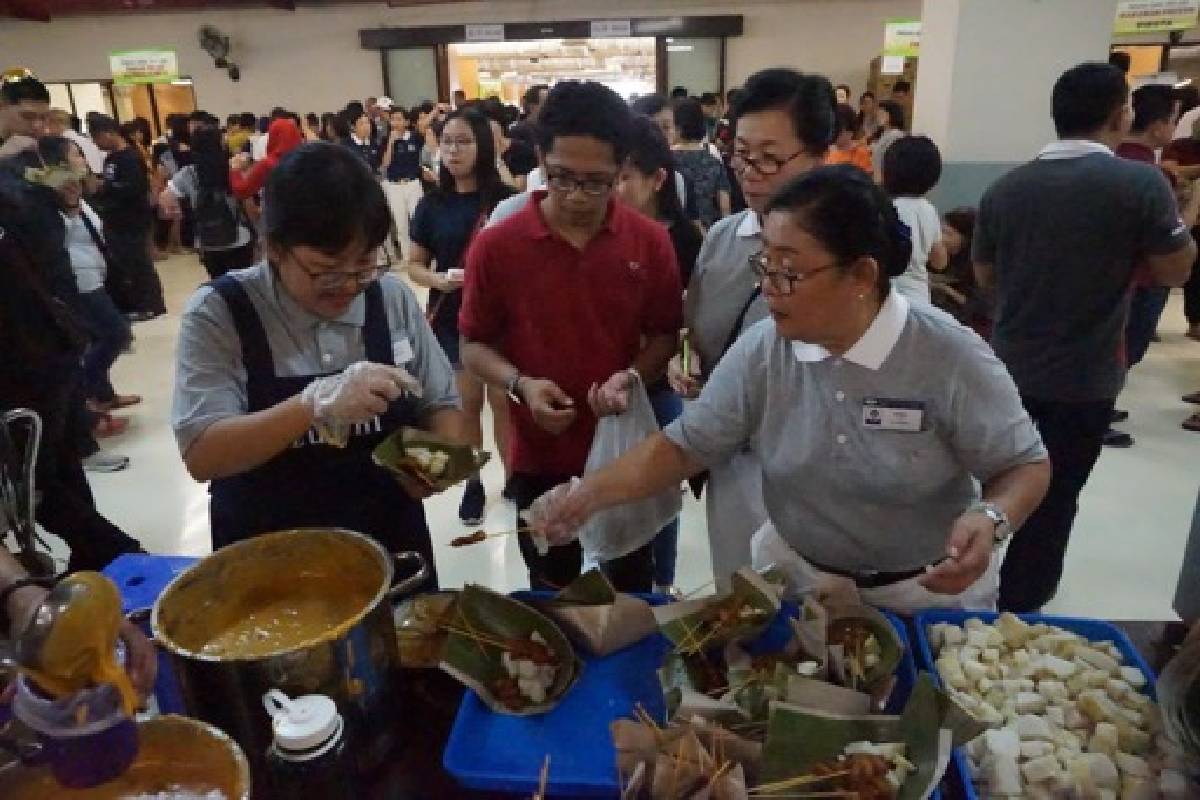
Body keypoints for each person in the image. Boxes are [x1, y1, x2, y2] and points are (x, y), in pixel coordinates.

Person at [530, 166, 1051, 613]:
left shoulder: (947, 354)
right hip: (800, 583)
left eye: (788, 271)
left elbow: (1025, 463)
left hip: (924, 595)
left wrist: (992, 516)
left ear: (862, 275)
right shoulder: (766, 349)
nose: (768, 288)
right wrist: (586, 497)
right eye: (766, 265)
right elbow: (685, 446)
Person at [172, 144, 463, 584]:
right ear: (273, 247)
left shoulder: (389, 297)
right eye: (325, 271)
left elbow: (443, 407)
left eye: (364, 264)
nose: (348, 286)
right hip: (269, 560)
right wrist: (312, 405)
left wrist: (432, 467)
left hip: (390, 548)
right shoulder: (222, 311)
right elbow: (202, 453)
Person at [974, 61, 1196, 612]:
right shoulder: (1139, 183)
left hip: (1008, 369)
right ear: (1120, 114)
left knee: (995, 484)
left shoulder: (1008, 187)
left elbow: (984, 275)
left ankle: (971, 581)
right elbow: (1175, 270)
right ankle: (1021, 607)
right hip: (1087, 375)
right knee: (1056, 495)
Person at [459, 81, 683, 592]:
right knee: (551, 593)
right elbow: (473, 345)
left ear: (622, 169)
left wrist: (629, 376)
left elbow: (665, 335)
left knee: (628, 590)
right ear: (539, 157)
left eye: (597, 182)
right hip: (539, 451)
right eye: (560, 178)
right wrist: (521, 385)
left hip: (622, 452)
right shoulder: (498, 245)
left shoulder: (649, 243)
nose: (577, 196)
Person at [672, 68, 835, 586]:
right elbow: (693, 331)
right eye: (740, 154)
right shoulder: (723, 239)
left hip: (822, 475)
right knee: (741, 600)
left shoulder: (851, 249)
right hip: (734, 466)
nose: (750, 172)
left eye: (769, 157)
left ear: (818, 156)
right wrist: (686, 362)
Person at [0, 163, 145, 567]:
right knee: (58, 472)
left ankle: (121, 558)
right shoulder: (22, 200)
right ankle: (101, 562)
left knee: (38, 485)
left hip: (27, 358)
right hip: (46, 348)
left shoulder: (20, 199)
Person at [405, 110, 515, 526]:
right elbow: (414, 264)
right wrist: (439, 279)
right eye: (446, 141)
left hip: (502, 319)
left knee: (505, 402)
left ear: (483, 146)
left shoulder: (506, 199)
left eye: (463, 141)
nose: (453, 150)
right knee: (466, 404)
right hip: (453, 316)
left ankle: (513, 479)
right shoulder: (431, 205)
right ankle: (472, 482)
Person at [614, 115, 702, 593]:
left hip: (659, 381)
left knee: (661, 485)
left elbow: (690, 321)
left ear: (657, 179)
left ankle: (661, 583)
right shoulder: (601, 237)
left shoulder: (684, 238)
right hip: (604, 384)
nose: (616, 188)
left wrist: (680, 354)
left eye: (626, 176)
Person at [1111, 83, 1200, 447]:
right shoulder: (1151, 175)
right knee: (1129, 345)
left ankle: (1102, 406)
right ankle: (1100, 410)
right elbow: (1175, 237)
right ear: (1159, 127)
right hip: (1147, 275)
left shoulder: (1113, 162)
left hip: (1113, 273)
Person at [39, 136, 139, 419]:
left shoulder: (76, 193)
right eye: (76, 154)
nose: (83, 159)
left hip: (93, 274)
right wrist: (69, 204)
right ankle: (86, 394)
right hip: (78, 280)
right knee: (115, 333)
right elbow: (57, 237)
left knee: (99, 335)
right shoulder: (50, 197)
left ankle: (104, 394)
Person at [88, 114, 166, 321]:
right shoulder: (111, 159)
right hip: (115, 219)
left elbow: (136, 188)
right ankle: (138, 302)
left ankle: (150, 304)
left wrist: (107, 187)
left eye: (97, 138)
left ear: (108, 134)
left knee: (138, 262)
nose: (96, 144)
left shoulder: (130, 157)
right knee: (127, 263)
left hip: (132, 219)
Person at [159, 127, 256, 280]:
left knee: (219, 286)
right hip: (239, 238)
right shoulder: (232, 169)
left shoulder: (188, 173)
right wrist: (257, 231)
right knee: (245, 286)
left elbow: (165, 198)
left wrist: (176, 211)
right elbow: (248, 204)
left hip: (207, 241)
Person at [883, 135, 947, 304]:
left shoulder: (885, 208)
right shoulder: (928, 209)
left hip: (886, 292)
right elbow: (939, 261)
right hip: (918, 295)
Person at [932, 207, 990, 338]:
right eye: (940, 231)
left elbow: (979, 306)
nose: (941, 238)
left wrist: (945, 289)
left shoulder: (977, 267)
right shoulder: (940, 259)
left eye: (948, 233)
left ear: (965, 238)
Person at [673, 97, 731, 228]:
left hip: (674, 234)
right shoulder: (714, 161)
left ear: (677, 126)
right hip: (707, 233)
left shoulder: (666, 161)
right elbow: (725, 207)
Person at [380, 107, 425, 263]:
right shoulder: (386, 139)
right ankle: (407, 259)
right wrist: (391, 142)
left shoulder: (415, 138)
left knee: (417, 220)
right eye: (393, 119)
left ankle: (422, 257)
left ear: (406, 122)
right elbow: (385, 163)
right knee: (400, 224)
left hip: (412, 183)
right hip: (395, 186)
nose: (396, 122)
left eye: (399, 119)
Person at [229, 117, 304, 201]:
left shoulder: (269, 164)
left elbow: (242, 190)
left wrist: (235, 169)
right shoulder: (306, 161)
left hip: (278, 211)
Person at [825, 103, 872, 175]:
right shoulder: (826, 153)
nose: (834, 133)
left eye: (838, 129)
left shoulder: (861, 154)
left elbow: (866, 182)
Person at [870, 100, 906, 181]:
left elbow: (891, 161)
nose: (878, 117)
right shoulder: (884, 133)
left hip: (886, 182)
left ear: (892, 115)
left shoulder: (896, 135)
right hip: (877, 179)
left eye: (882, 114)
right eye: (878, 114)